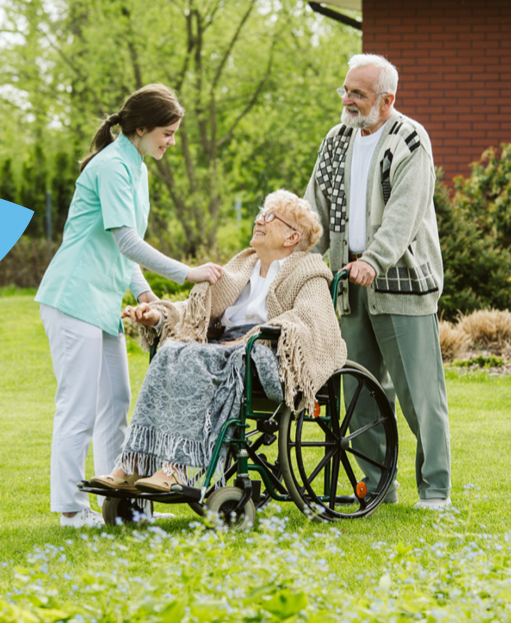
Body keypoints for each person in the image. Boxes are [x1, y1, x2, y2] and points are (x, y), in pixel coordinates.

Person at [34, 83, 225, 528]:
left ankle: (120, 503)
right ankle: (69, 509)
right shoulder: (111, 166)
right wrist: (186, 272)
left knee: (117, 401)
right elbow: (126, 239)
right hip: (72, 296)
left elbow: (123, 247)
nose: (171, 142)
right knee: (78, 406)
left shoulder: (136, 166)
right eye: (167, 133)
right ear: (140, 128)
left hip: (101, 302)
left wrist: (142, 293)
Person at [89, 190, 346, 492]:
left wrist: (252, 338)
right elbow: (197, 311)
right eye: (260, 213)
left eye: (269, 217)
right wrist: (157, 316)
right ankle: (133, 462)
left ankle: (176, 469)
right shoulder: (242, 266)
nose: (258, 220)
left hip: (263, 352)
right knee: (171, 351)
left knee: (196, 358)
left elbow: (309, 319)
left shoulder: (309, 272)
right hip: (223, 348)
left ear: (292, 237)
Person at [303, 53, 453, 510]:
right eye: (345, 90)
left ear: (387, 100)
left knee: (419, 395)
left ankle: (435, 489)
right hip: (348, 283)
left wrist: (375, 258)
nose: (347, 100)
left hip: (400, 282)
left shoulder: (410, 140)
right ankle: (376, 485)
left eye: (358, 94)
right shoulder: (336, 140)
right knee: (361, 391)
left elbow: (403, 216)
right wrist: (301, 258)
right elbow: (316, 209)